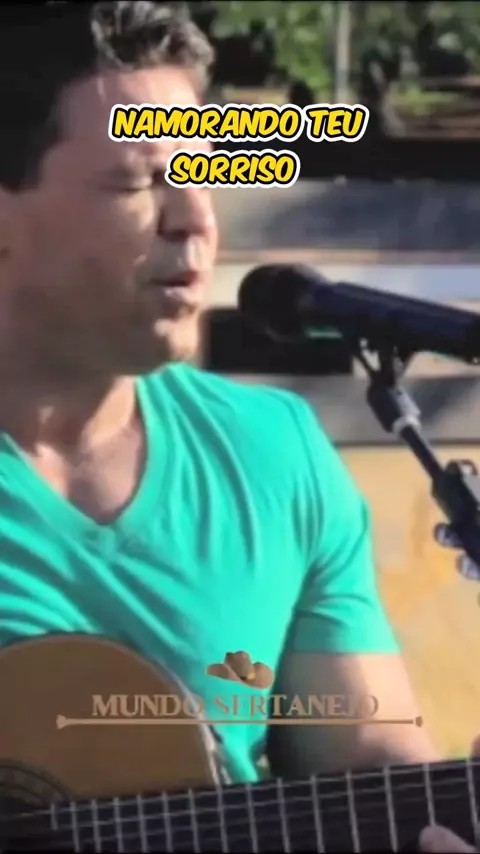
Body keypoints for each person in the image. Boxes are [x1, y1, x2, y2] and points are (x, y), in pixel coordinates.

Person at [0, 1, 463, 849]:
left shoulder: (274, 454)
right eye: (139, 182)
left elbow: (368, 758)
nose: (195, 217)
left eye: (204, 175)